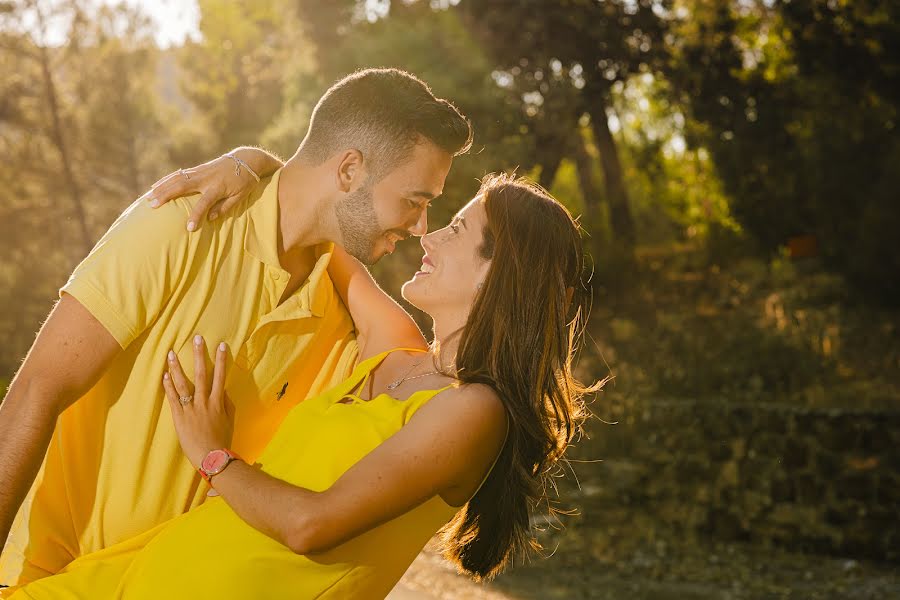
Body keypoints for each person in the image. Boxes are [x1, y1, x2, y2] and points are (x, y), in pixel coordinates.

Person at [0, 158, 601, 598]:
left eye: (459, 230)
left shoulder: (475, 411)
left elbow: (312, 525)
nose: (428, 232)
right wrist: (248, 162)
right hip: (129, 577)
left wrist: (214, 455)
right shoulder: (396, 353)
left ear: (501, 278)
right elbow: (317, 214)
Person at [0, 68, 472, 587]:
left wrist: (259, 162)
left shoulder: (346, 322)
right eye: (415, 200)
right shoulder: (185, 222)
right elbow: (35, 393)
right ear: (349, 170)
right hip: (44, 578)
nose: (421, 225)